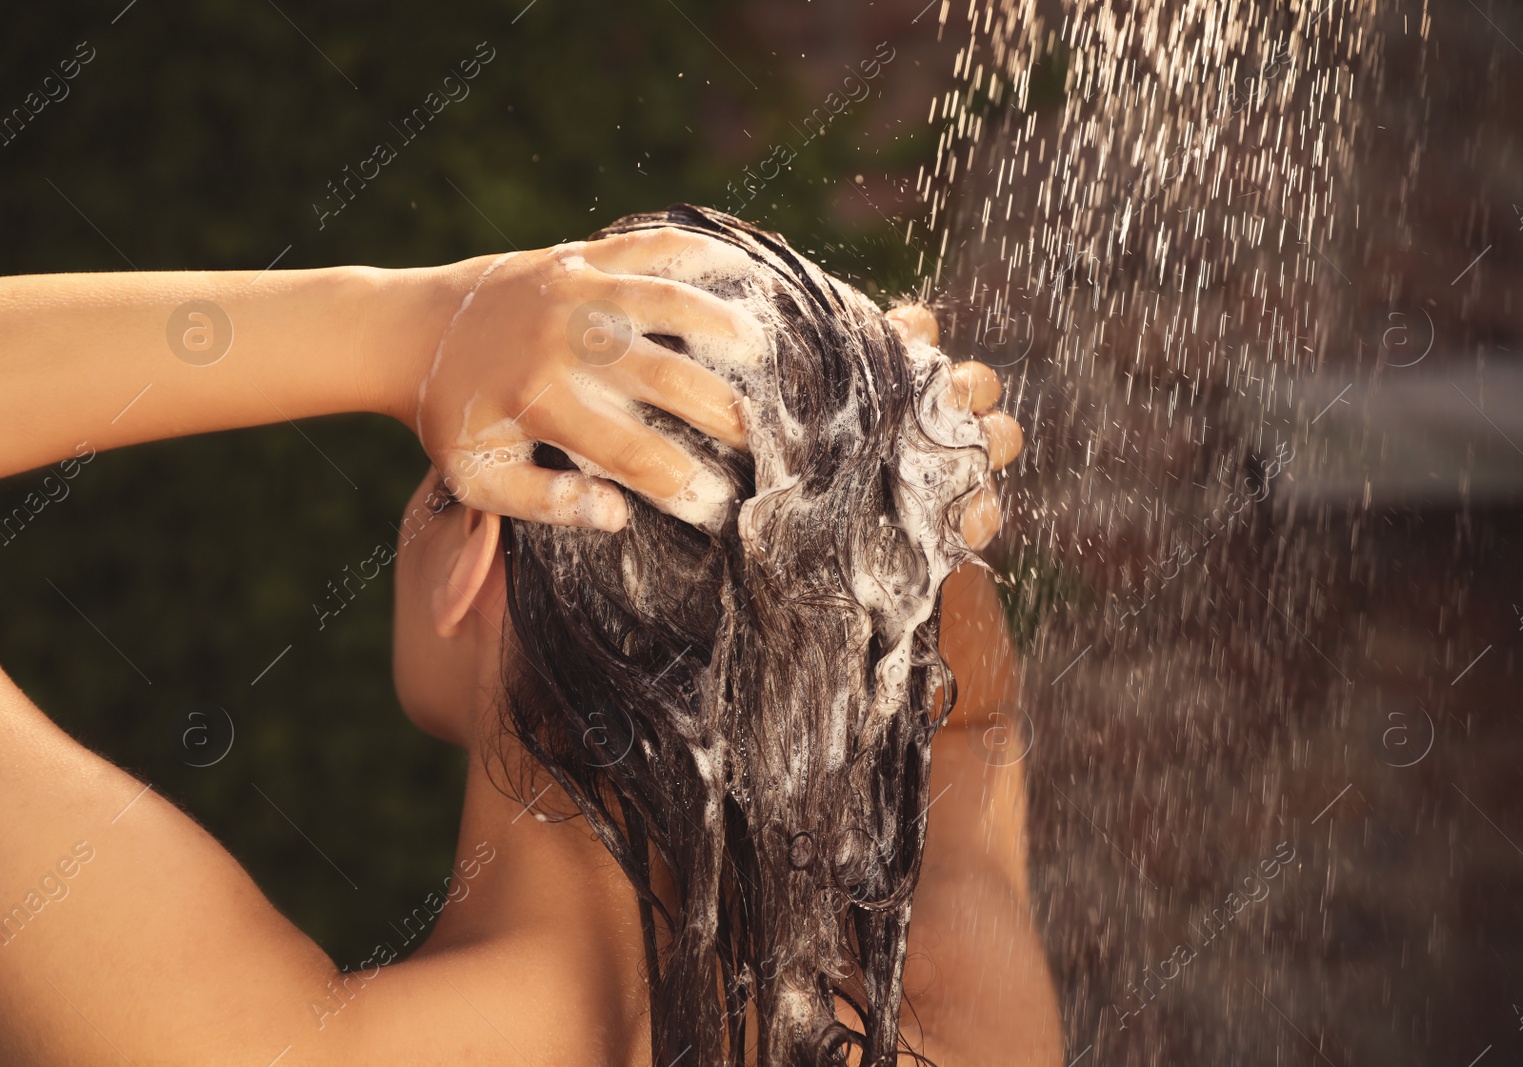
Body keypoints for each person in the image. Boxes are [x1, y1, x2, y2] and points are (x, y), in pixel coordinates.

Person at [0, 209, 1062, 1065]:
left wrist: (412, 324)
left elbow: (968, 718)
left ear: (478, 552)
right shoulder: (965, 1026)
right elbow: (971, 724)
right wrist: (862, 432)